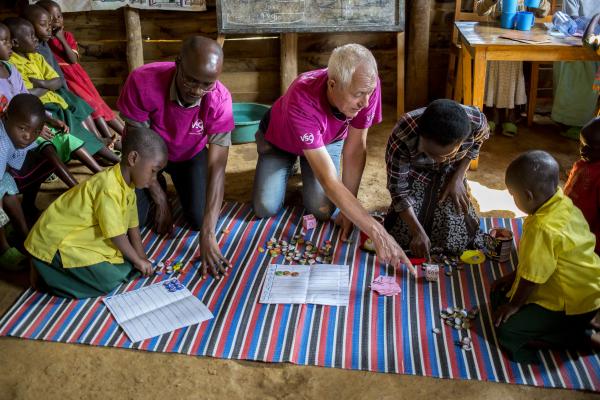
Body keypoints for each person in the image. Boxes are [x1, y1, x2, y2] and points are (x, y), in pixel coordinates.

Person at [252, 43, 414, 273]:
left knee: (322, 209)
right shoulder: (302, 95)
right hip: (281, 141)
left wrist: (350, 210)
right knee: (265, 206)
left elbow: (356, 147)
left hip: (326, 140)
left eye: (369, 93)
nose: (366, 102)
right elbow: (329, 181)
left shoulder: (367, 86)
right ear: (332, 84)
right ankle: (290, 162)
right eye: (358, 95)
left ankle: (311, 160)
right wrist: (378, 233)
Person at [117, 36, 236, 279]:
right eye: (191, 80)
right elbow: (136, 148)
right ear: (178, 63)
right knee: (134, 221)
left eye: (207, 84)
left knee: (197, 217)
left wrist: (208, 234)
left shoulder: (220, 99)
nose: (198, 90)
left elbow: (217, 166)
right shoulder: (143, 81)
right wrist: (160, 199)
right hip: (147, 156)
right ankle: (157, 183)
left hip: (189, 155)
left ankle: (167, 187)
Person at [26, 126, 167, 299]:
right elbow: (117, 236)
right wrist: (138, 261)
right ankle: (45, 272)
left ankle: (53, 270)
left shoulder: (129, 186)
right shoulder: (108, 186)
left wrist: (143, 258)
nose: (154, 180)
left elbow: (133, 227)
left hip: (81, 236)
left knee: (125, 264)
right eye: (153, 171)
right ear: (133, 158)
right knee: (110, 279)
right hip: (54, 243)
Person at [492, 150, 600, 364]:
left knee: (505, 328)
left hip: (570, 303)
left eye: (513, 195)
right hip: (589, 291)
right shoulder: (562, 202)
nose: (514, 200)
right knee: (499, 294)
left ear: (528, 195)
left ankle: (577, 338)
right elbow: (538, 263)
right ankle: (575, 326)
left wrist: (514, 306)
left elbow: (531, 278)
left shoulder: (542, 227)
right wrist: (514, 276)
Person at [4, 18, 116, 172]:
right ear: (16, 43)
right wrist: (47, 84)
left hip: (54, 97)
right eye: (31, 36)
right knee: (67, 118)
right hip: (41, 105)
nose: (35, 38)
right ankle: (106, 154)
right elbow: (28, 94)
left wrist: (40, 83)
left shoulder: (36, 57)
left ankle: (97, 142)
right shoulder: (13, 64)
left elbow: (57, 81)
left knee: (79, 104)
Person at [384, 99, 489, 257]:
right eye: (429, 153)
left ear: (461, 141)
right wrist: (417, 231)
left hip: (452, 172)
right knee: (402, 235)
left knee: (456, 239)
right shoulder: (404, 131)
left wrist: (458, 178)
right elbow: (398, 190)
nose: (437, 160)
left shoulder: (476, 122)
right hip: (416, 173)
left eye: (446, 155)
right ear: (421, 136)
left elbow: (478, 142)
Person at [20, 4, 114, 146]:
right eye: (44, 24)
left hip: (58, 88)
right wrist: (49, 85)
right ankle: (95, 144)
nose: (49, 28)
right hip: (49, 95)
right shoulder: (33, 50)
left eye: (50, 24)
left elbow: (54, 77)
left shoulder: (44, 44)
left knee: (82, 104)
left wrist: (46, 84)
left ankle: (97, 140)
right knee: (73, 109)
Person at [37, 0, 125, 142]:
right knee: (92, 105)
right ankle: (108, 139)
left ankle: (127, 135)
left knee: (99, 103)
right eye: (52, 19)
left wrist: (60, 38)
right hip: (66, 80)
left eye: (59, 16)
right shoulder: (42, 41)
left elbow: (72, 59)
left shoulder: (66, 36)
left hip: (77, 76)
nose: (57, 21)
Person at [475, 0, 550, 137]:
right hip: (493, 39)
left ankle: (508, 113)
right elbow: (480, 10)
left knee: (513, 62)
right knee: (496, 62)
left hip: (519, 40)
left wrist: (538, 2)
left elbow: (544, 12)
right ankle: (494, 112)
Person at [0, 93, 45, 269]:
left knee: (7, 186)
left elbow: (37, 139)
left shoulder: (13, 132)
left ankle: (25, 235)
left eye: (35, 131)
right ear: (5, 117)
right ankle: (3, 249)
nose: (28, 136)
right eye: (23, 129)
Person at [552, 0, 600, 138]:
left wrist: (595, 19)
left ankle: (582, 122)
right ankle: (569, 120)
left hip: (591, 40)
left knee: (587, 68)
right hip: (576, 38)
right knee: (574, 63)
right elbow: (572, 22)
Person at [564, 118, 600, 255]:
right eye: (581, 144)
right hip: (570, 227)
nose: (583, 151)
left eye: (591, 148)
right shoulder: (585, 162)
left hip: (588, 242)